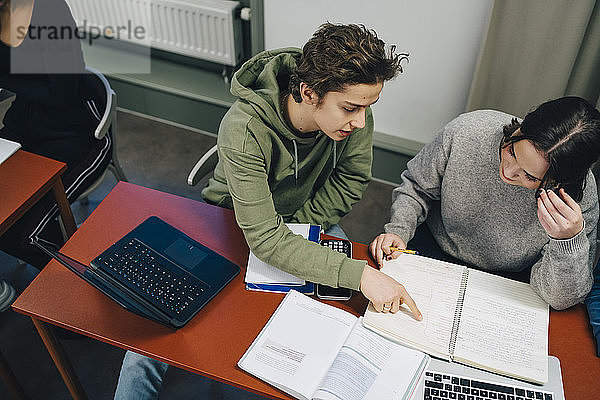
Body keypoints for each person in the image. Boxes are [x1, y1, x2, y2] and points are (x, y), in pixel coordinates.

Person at [114, 22, 421, 399]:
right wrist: (358, 274)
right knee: (150, 340)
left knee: (340, 324)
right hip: (230, 220)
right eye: (350, 108)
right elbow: (262, 237)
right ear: (309, 93)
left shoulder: (355, 111)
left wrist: (299, 230)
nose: (360, 121)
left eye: (367, 108)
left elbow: (351, 181)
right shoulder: (244, 128)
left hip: (310, 216)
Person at [370, 96, 600, 312]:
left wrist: (568, 242)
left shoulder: (578, 199)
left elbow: (561, 299)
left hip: (511, 280)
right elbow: (416, 187)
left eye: (529, 177)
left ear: (559, 181)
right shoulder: (469, 131)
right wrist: (399, 229)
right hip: (433, 248)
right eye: (512, 151)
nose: (508, 172)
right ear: (520, 129)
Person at [0, 0, 111, 268]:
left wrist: (6, 81)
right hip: (25, 125)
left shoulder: (49, 10)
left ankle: (66, 284)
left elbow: (63, 95)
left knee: (25, 233)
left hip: (78, 132)